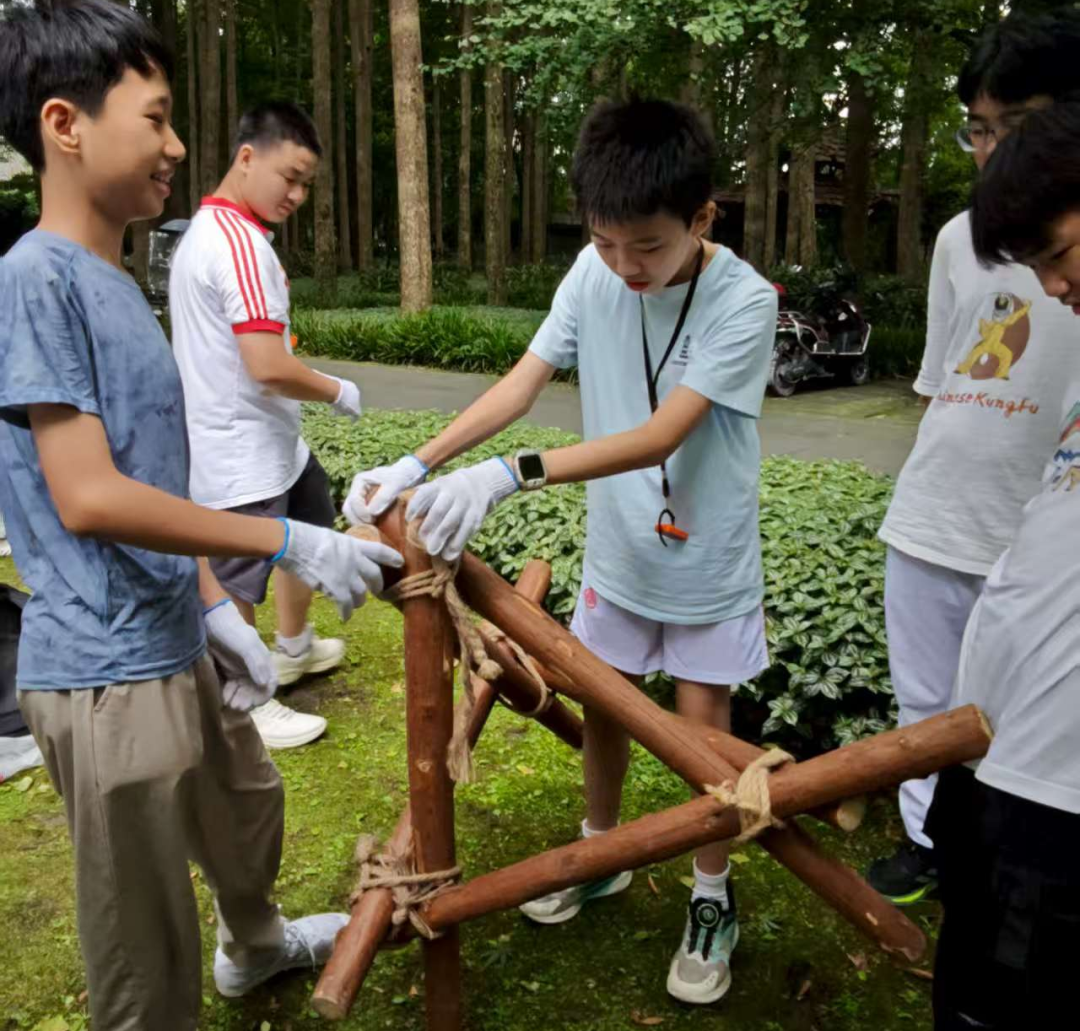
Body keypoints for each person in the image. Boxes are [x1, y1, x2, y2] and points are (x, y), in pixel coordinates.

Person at [0, 4, 401, 1028]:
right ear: (65, 125)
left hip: (173, 627)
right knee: (145, 948)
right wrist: (287, 536)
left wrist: (217, 603)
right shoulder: (36, 278)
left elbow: (153, 474)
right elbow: (89, 493)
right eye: (157, 117)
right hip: (105, 670)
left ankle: (254, 944)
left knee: (245, 802)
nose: (179, 145)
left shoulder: (115, 277)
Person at [344, 97, 777, 1005]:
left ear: (703, 218)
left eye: (647, 247)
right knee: (607, 705)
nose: (624, 266)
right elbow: (522, 383)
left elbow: (661, 435)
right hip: (620, 550)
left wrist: (512, 473)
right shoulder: (593, 270)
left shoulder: (745, 301)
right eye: (605, 241)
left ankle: (710, 892)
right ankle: (600, 850)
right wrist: (417, 463)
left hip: (706, 559)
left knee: (702, 734)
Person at [868, 8, 1080, 905]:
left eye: (1013, 126)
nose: (991, 151)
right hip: (936, 507)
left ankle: (1002, 870)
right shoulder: (961, 237)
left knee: (1019, 714)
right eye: (978, 130)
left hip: (1035, 527)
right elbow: (939, 378)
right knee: (925, 700)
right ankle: (929, 842)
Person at [928, 98, 1080, 1030]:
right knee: (968, 974)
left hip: (1060, 785)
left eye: (1058, 256)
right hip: (990, 736)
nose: (1053, 289)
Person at [169, 101, 361, 750]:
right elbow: (268, 365)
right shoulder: (239, 246)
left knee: (310, 518)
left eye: (306, 183)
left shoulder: (211, 230)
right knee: (238, 575)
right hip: (238, 449)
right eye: (290, 177)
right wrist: (337, 389)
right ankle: (248, 700)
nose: (297, 195)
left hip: (273, 442)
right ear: (247, 158)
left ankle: (295, 647)